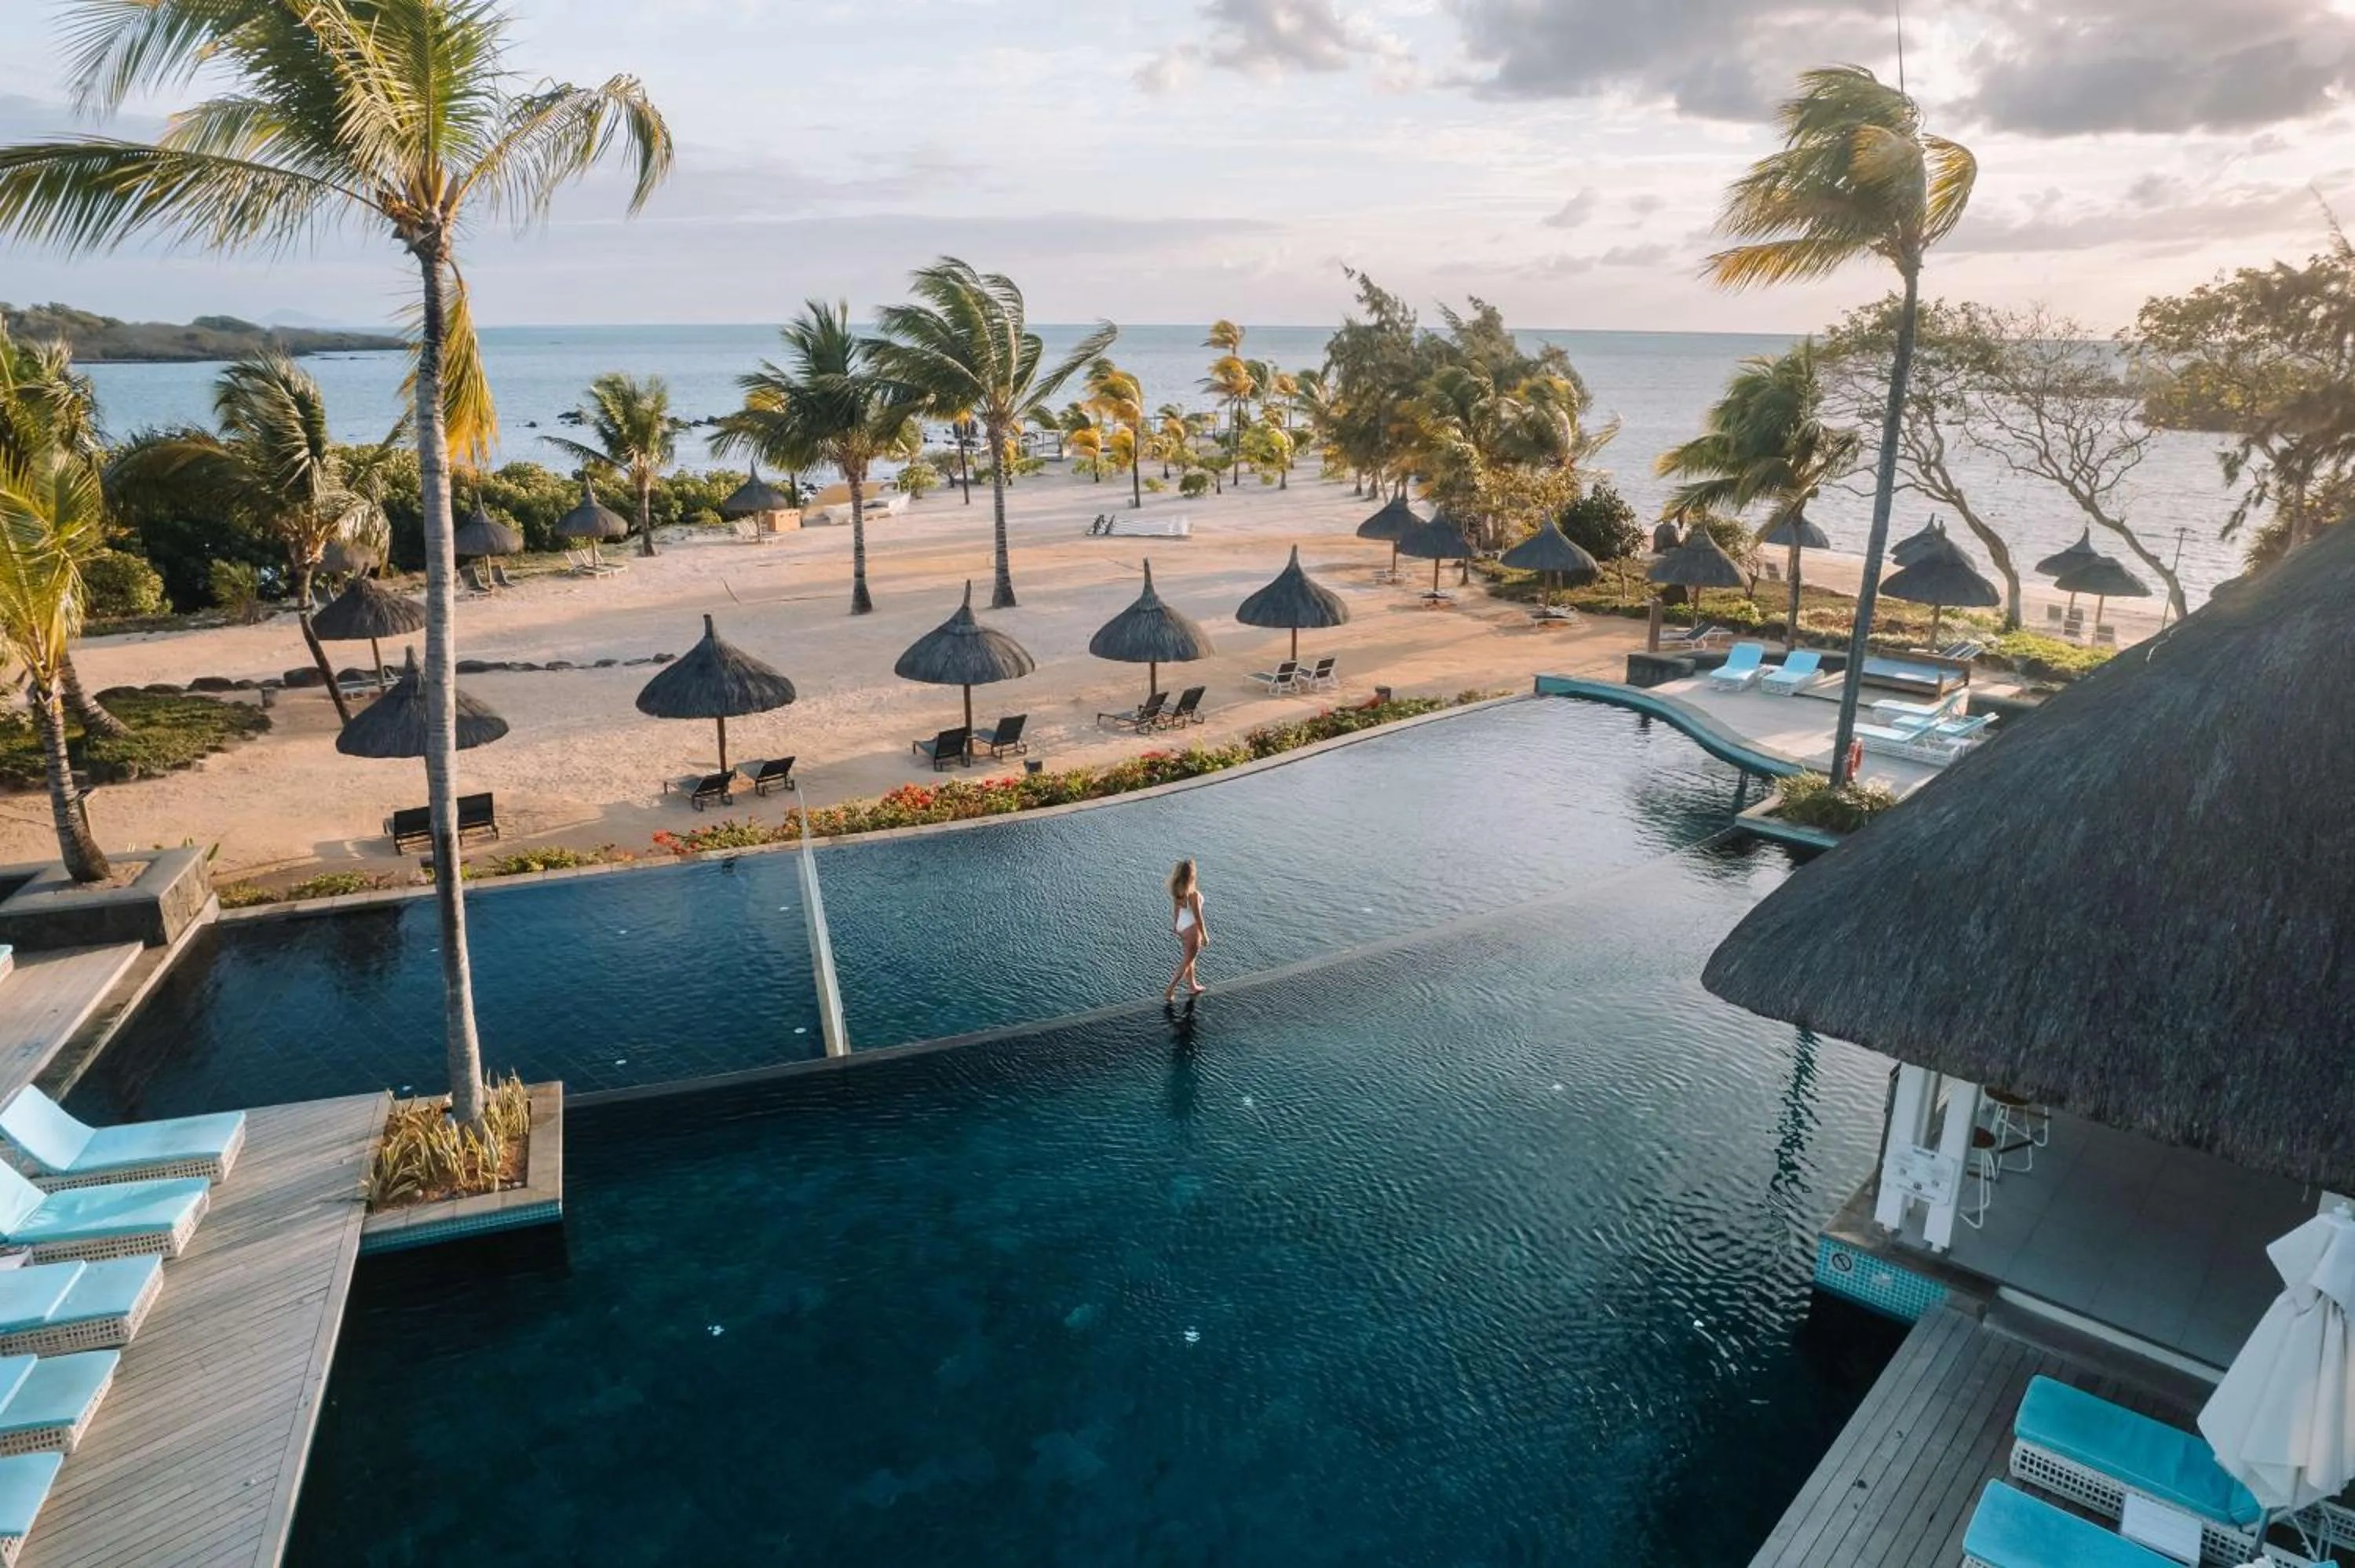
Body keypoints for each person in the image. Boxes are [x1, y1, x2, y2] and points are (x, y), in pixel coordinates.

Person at [1164, 858, 1208, 1001]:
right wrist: (1205, 936)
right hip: (1192, 929)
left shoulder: (1177, 890)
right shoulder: (1193, 895)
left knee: (1190, 958)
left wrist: (1176, 925)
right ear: (1192, 875)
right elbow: (1198, 917)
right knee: (1187, 961)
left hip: (1182, 926)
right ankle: (1170, 989)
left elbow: (1176, 909)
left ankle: (1192, 985)